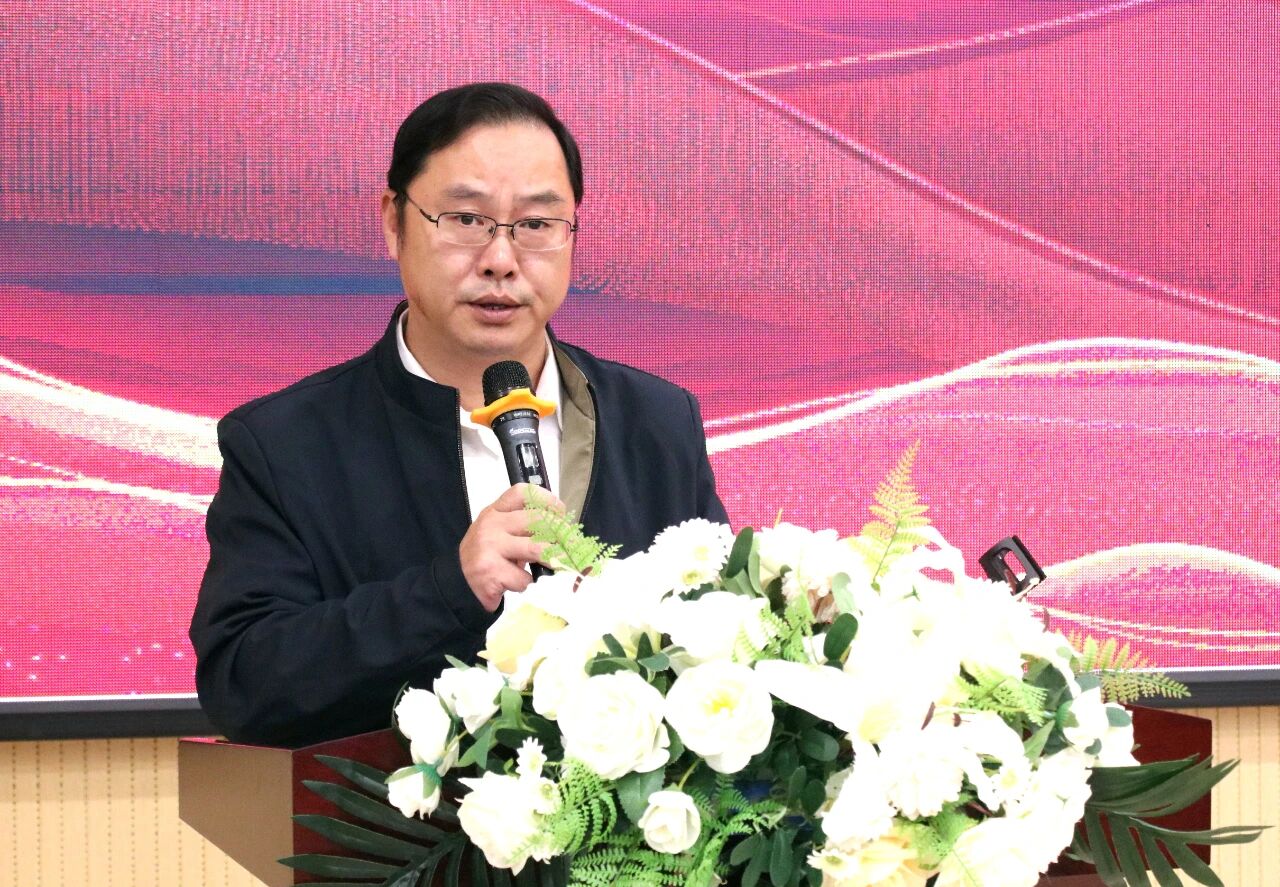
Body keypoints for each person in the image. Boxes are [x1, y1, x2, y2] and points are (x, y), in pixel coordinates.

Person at [189, 83, 727, 747]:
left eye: (536, 225)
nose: (501, 261)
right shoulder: (285, 444)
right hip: (391, 815)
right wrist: (450, 588)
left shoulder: (656, 423)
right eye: (466, 220)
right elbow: (244, 684)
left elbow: (719, 648)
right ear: (394, 222)